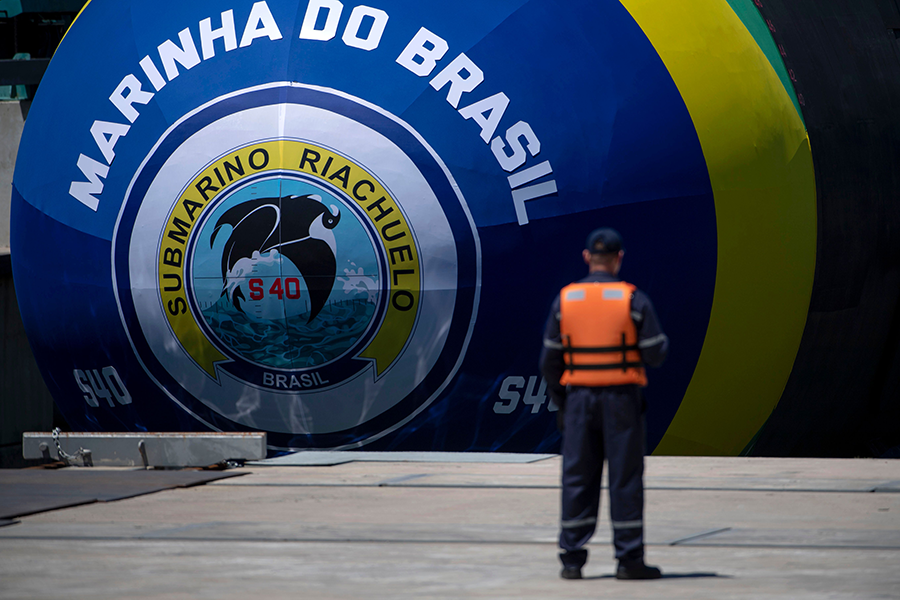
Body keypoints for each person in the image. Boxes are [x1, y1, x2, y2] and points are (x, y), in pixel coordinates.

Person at [539, 227, 668, 581]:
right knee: (625, 479)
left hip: (580, 399)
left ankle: (571, 560)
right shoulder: (632, 300)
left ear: (586, 257)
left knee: (578, 476)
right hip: (621, 400)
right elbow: (657, 351)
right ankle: (629, 560)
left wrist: (563, 402)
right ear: (619, 258)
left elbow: (549, 361)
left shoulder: (565, 300)